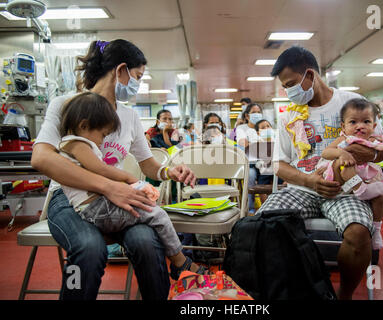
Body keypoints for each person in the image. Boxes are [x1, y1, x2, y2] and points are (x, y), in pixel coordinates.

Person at [31, 39, 196, 300]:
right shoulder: (66, 105)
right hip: (70, 198)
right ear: (121, 71)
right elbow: (41, 159)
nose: (137, 84)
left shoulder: (129, 117)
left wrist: (169, 171)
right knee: (88, 247)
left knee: (146, 242)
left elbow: (148, 164)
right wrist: (109, 186)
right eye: (138, 76)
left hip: (116, 199)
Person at [257, 46, 383, 300]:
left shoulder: (353, 103)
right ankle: (295, 289)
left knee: (359, 232)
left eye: (292, 84)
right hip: (301, 189)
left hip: (347, 191)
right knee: (262, 226)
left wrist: (368, 155)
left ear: (310, 75)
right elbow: (279, 165)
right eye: (285, 87)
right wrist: (309, 181)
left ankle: (344, 295)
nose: (288, 92)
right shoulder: (288, 117)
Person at [57, 92, 206, 280]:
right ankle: (180, 262)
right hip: (97, 209)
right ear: (84, 125)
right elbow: (100, 169)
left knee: (149, 215)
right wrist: (129, 178)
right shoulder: (77, 144)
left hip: (99, 205)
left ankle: (177, 263)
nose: (104, 141)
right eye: (103, 135)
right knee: (156, 214)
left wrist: (165, 173)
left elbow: (147, 165)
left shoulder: (77, 143)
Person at [318, 99, 383, 250]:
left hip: (365, 176)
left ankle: (377, 230)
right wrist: (341, 153)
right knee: (346, 165)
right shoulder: (345, 140)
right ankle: (362, 190)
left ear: (374, 125)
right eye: (353, 122)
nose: (360, 126)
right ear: (343, 126)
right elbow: (326, 152)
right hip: (344, 178)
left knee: (379, 198)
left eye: (366, 121)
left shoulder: (375, 139)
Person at [236, 103, 264, 214]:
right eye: (254, 112)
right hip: (250, 163)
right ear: (247, 116)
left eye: (259, 112)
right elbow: (243, 143)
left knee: (273, 177)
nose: (257, 114)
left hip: (265, 163)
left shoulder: (264, 126)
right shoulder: (242, 128)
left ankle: (267, 208)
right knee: (250, 176)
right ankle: (251, 209)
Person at [253, 119, 284, 204]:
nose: (266, 128)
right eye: (263, 128)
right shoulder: (258, 143)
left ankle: (280, 202)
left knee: (283, 185)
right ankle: (265, 205)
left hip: (278, 172)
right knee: (261, 188)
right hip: (264, 172)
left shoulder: (278, 141)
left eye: (268, 126)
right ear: (258, 132)